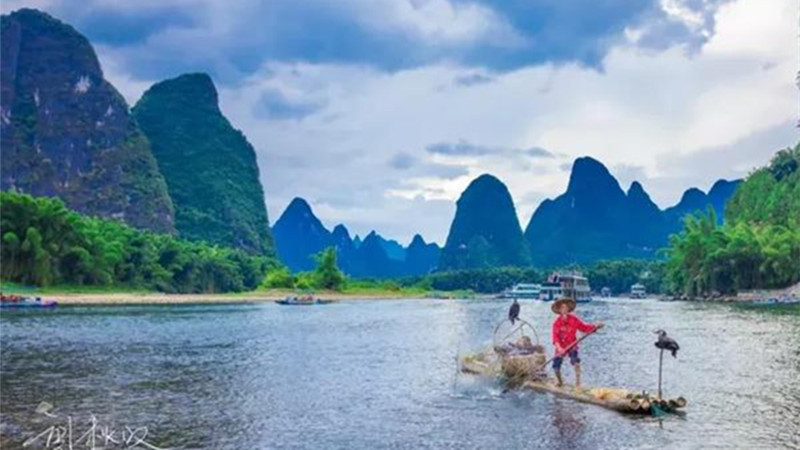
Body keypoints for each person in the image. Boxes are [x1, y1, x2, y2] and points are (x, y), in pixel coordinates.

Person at [550, 298, 603, 387]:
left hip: (572, 344)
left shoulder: (574, 319)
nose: (564, 310)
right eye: (562, 308)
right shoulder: (556, 323)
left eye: (566, 308)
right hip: (561, 346)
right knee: (556, 367)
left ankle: (578, 382)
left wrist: (595, 326)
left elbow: (584, 328)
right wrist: (560, 349)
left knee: (576, 361)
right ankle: (560, 382)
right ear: (559, 310)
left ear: (568, 309)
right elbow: (555, 339)